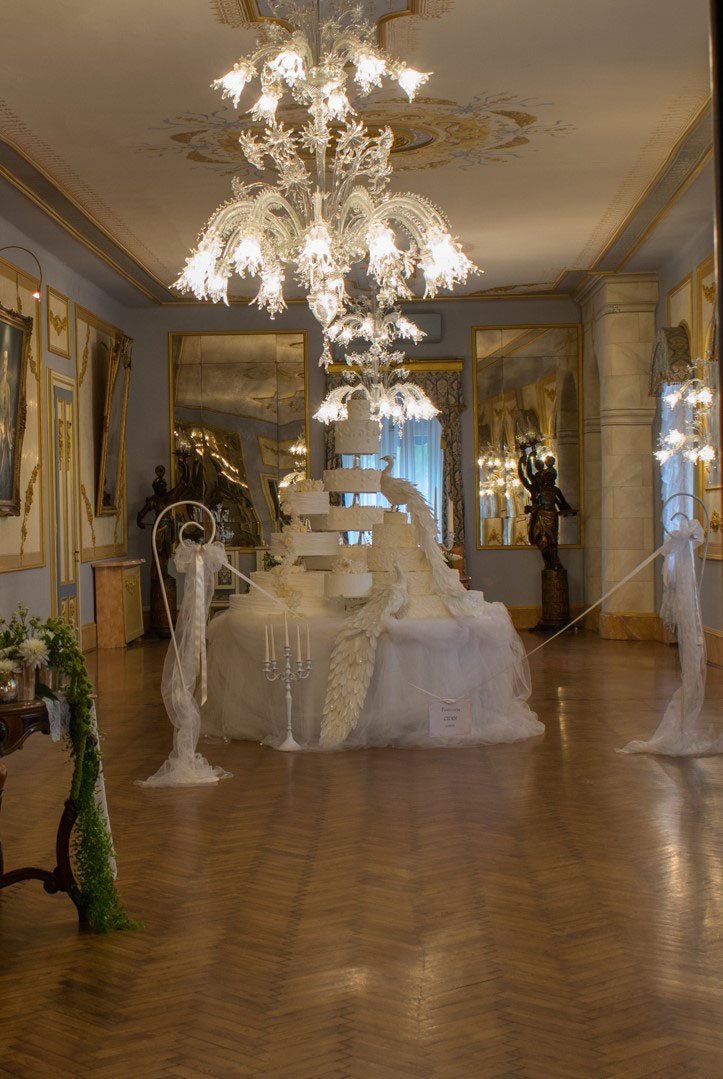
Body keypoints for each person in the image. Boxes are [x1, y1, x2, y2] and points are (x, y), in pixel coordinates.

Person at [517, 442, 577, 570]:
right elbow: (526, 476)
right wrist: (525, 459)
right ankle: (549, 564)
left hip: (551, 516)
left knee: (552, 542)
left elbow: (562, 503)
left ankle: (554, 564)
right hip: (540, 516)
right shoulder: (537, 490)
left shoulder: (554, 490)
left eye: (549, 477)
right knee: (541, 541)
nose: (545, 479)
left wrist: (568, 510)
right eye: (545, 477)